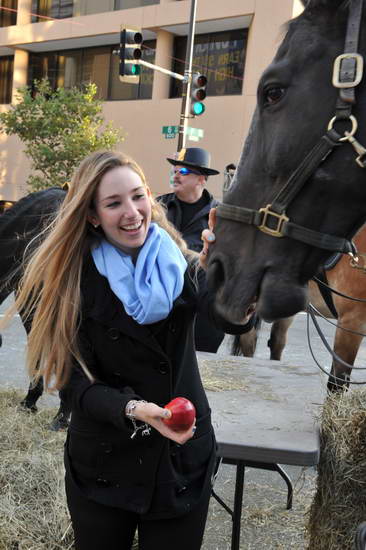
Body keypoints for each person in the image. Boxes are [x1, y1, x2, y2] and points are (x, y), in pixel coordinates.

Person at [8, 151, 256, 550]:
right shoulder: (69, 284)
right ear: (91, 214)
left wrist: (239, 277)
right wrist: (134, 409)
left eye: (138, 196)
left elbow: (228, 316)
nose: (133, 212)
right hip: (105, 460)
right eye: (113, 203)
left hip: (180, 457)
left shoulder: (182, 265)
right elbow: (74, 387)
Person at [157, 147, 224, 353]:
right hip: (163, 309)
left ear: (201, 179)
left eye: (184, 172)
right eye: (175, 170)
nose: (176, 175)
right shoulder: (158, 208)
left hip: (203, 316)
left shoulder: (219, 217)